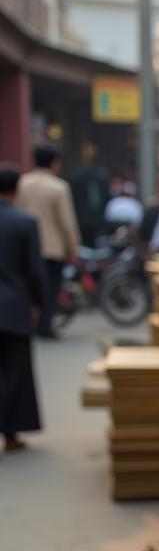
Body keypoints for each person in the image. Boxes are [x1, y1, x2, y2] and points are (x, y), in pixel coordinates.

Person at [0, 163, 45, 451]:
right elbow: (35, 270)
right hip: (14, 305)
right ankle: (11, 434)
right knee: (15, 371)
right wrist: (38, 302)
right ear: (17, 189)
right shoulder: (25, 222)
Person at [15, 145, 80, 338]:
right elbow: (66, 221)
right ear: (53, 163)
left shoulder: (21, 184)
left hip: (24, 246)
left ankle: (28, 323)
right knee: (50, 290)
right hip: (53, 247)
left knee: (27, 288)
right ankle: (45, 325)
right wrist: (72, 248)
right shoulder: (58, 187)